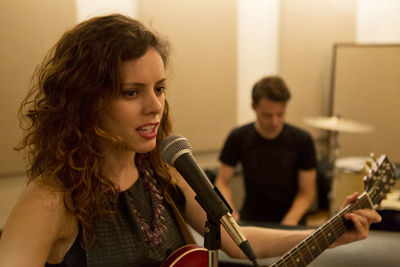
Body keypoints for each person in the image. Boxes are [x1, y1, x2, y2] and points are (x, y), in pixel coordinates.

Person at [0, 14, 381, 267]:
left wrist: (328, 234)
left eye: (160, 88)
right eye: (132, 92)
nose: (156, 107)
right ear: (86, 100)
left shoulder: (166, 172)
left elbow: (238, 238)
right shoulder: (50, 201)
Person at [215, 76, 317, 226]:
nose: (275, 122)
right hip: (251, 219)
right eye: (267, 115)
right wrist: (229, 211)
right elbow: (222, 181)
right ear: (253, 107)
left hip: (292, 221)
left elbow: (307, 193)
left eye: (280, 114)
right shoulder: (238, 137)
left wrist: (288, 224)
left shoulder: (303, 140)